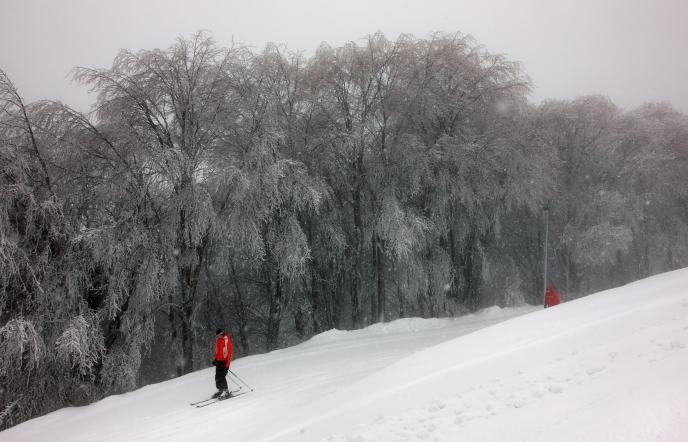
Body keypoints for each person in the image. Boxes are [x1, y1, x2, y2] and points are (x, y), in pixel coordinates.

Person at [212, 328, 233, 399]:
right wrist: (216, 359)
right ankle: (220, 390)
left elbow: (229, 353)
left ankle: (226, 392)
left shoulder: (226, 340)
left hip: (224, 362)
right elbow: (217, 351)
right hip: (219, 362)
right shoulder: (219, 340)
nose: (217, 337)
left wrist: (227, 365)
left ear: (221, 334)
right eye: (217, 336)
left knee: (222, 377)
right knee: (217, 376)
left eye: (218, 335)